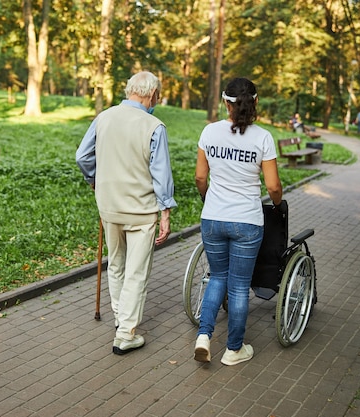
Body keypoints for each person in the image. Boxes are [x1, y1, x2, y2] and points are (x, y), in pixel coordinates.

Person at [76, 71, 177, 355]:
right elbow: (161, 175)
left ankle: (121, 318)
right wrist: (166, 212)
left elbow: (82, 156)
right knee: (136, 272)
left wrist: (93, 179)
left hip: (108, 207)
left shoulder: (104, 117)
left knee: (116, 264)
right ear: (152, 94)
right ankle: (126, 333)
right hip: (141, 212)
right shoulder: (154, 126)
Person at [193, 77, 283, 365]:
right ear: (255, 102)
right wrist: (278, 204)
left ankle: (204, 336)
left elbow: (199, 177)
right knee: (239, 285)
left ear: (225, 102)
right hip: (246, 221)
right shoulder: (263, 138)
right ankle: (233, 350)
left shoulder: (210, 132)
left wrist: (209, 199)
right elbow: (272, 187)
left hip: (213, 218)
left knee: (218, 277)